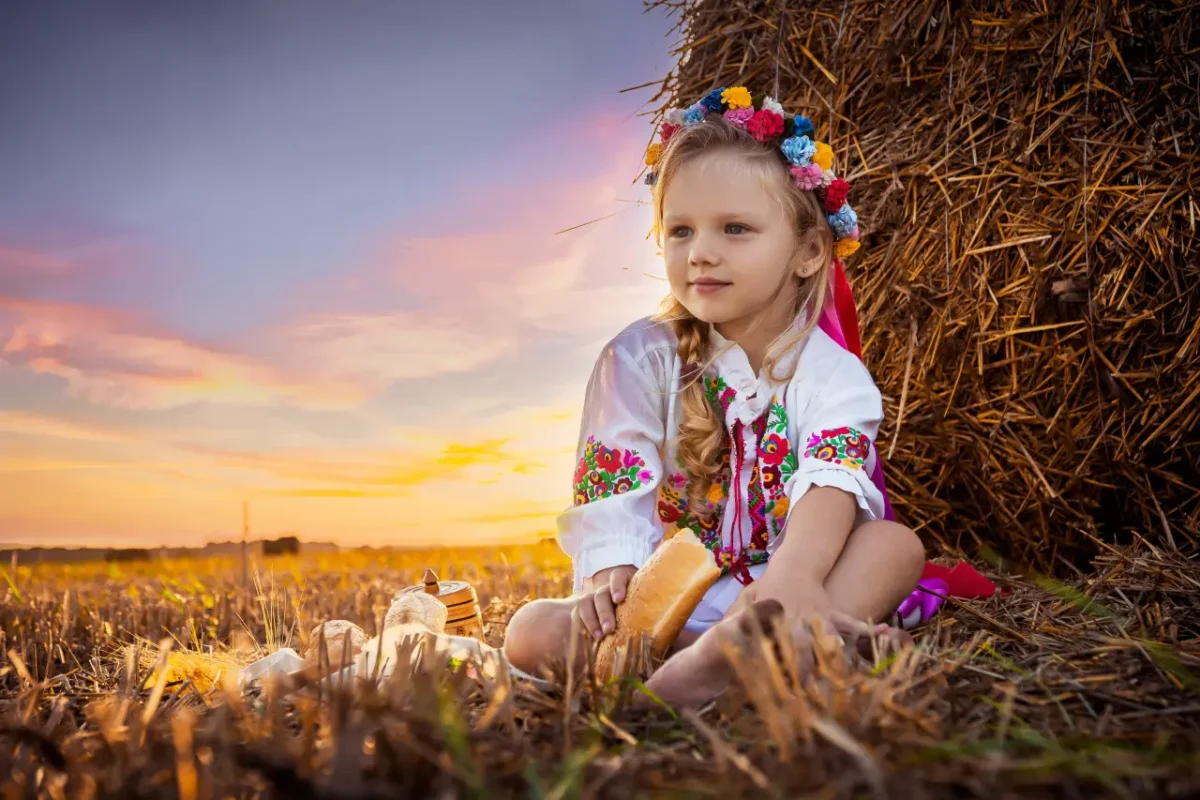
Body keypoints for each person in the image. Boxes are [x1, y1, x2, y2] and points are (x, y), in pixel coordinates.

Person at [504, 86, 931, 707]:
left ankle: (734, 657)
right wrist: (611, 573)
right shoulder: (638, 359)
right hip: (658, 601)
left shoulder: (832, 374)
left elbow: (831, 478)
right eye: (681, 230)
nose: (701, 252)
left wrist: (792, 579)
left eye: (735, 229)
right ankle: (749, 662)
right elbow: (612, 485)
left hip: (785, 586)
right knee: (530, 630)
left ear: (809, 251)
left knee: (894, 547)